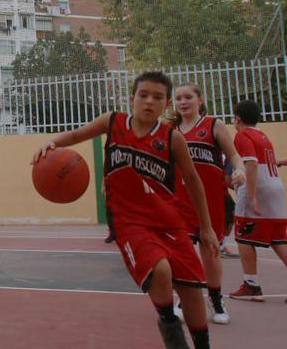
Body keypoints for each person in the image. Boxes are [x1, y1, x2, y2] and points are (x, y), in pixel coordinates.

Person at [33, 72, 216, 349]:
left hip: (168, 221)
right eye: (143, 95)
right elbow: (76, 133)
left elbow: (193, 182)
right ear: (132, 98)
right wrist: (53, 143)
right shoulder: (114, 122)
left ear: (166, 105)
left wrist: (206, 227)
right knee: (161, 270)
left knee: (192, 291)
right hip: (129, 221)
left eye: (157, 97)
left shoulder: (172, 139)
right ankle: (170, 326)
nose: (149, 102)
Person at [168, 83, 246, 324]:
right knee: (181, 253)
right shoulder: (171, 131)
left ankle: (215, 297)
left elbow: (233, 155)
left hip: (211, 200)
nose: (183, 101)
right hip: (181, 200)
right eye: (179, 98)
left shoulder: (214, 125)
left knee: (210, 253)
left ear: (199, 100)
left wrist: (240, 169)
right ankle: (185, 297)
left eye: (188, 97)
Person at [227, 100, 287, 303]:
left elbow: (251, 164)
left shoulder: (242, 135)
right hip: (275, 189)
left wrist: (251, 197)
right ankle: (251, 286)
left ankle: (251, 286)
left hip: (257, 190)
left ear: (237, 118)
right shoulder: (263, 136)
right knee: (278, 239)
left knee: (244, 237)